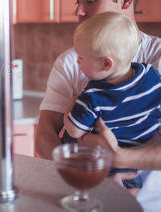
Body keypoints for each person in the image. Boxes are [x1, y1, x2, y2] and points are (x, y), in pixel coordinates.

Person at [35, 0, 161, 210]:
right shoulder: (70, 62)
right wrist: (91, 176)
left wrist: (119, 157)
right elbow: (44, 135)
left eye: (90, 1)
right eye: (77, 1)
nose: (79, 11)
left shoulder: (157, 57)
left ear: (126, 0)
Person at [59, 12, 161, 190]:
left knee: (67, 138)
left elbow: (75, 131)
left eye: (81, 58)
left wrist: (70, 105)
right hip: (136, 158)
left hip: (104, 165)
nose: (77, 62)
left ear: (106, 64)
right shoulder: (151, 75)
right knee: (130, 194)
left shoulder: (93, 97)